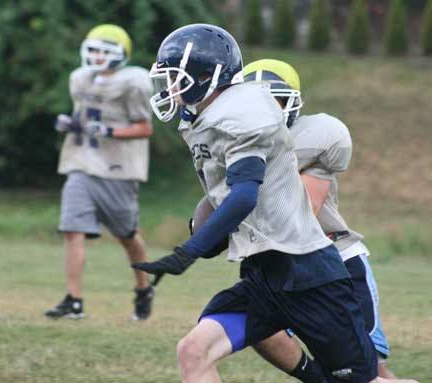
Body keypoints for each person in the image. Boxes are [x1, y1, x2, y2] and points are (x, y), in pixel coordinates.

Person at [134, 23, 385, 383]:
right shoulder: (202, 120)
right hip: (263, 277)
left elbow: (245, 196)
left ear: (207, 75)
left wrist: (186, 252)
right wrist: (206, 235)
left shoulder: (242, 111)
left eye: (175, 77)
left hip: (310, 277)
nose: (169, 88)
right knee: (193, 350)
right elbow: (224, 202)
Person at [242, 59, 402, 380]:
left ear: (292, 103)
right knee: (254, 326)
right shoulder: (238, 148)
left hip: (336, 263)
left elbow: (303, 214)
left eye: (274, 101)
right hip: (282, 270)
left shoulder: (315, 137)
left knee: (372, 374)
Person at [45, 24, 154, 321]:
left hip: (118, 171)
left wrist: (108, 130)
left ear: (121, 56)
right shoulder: (80, 79)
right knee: (71, 229)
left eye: (104, 52)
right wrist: (71, 124)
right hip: (81, 163)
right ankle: (73, 300)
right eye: (92, 49)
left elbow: (145, 128)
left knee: (127, 236)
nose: (96, 56)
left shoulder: (134, 83)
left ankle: (143, 288)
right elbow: (84, 117)